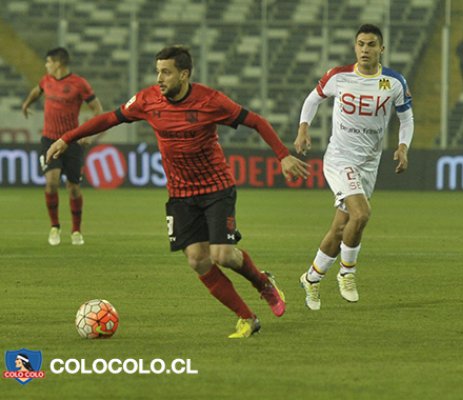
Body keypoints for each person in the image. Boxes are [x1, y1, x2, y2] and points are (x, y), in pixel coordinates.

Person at [46, 46, 310, 338]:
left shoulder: (210, 101)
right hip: (181, 194)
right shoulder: (147, 100)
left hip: (216, 188)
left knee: (221, 254)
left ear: (184, 74)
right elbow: (110, 118)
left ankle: (263, 283)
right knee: (197, 259)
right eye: (158, 71)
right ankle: (247, 318)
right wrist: (67, 138)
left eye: (166, 72)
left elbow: (256, 121)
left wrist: (282, 155)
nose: (159, 78)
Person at [294, 24, 413, 310]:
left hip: (369, 162)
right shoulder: (339, 76)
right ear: (354, 47)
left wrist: (402, 146)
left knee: (340, 228)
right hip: (339, 158)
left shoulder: (394, 82)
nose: (365, 50)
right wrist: (303, 129)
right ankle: (347, 273)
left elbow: (406, 118)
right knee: (361, 214)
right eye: (360, 44)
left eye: (371, 44)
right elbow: (313, 99)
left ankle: (312, 277)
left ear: (381, 49)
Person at [21, 47, 104, 246]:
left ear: (58, 63)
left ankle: (76, 230)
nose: (46, 65)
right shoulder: (46, 80)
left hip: (71, 141)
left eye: (48, 62)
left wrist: (90, 133)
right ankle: (55, 227)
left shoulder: (79, 83)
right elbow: (36, 91)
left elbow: (98, 110)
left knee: (73, 187)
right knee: (51, 181)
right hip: (49, 140)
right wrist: (26, 104)